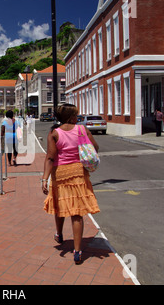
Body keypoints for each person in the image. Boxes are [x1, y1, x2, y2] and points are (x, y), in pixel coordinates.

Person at [41, 104, 100, 264]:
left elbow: (50, 157)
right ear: (70, 117)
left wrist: (44, 178)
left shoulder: (54, 133)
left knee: (60, 206)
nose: (78, 117)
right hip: (79, 173)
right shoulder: (82, 130)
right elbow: (95, 147)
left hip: (60, 173)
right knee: (77, 212)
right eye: (76, 115)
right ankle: (78, 250)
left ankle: (59, 234)